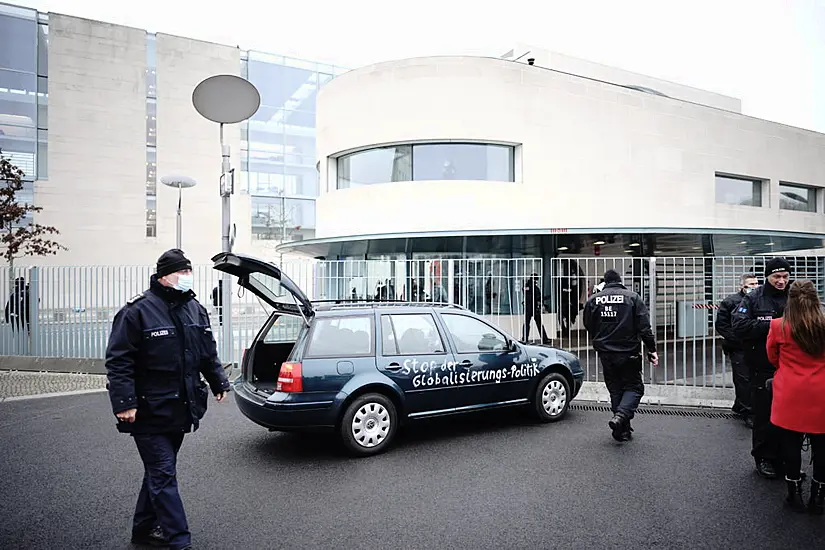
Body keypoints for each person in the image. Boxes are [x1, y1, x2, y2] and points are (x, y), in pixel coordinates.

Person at [105, 249, 231, 550]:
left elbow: (206, 352)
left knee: (159, 471)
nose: (187, 277)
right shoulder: (136, 311)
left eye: (189, 272)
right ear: (164, 275)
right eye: (181, 272)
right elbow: (119, 361)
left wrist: (218, 381)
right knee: (163, 472)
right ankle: (179, 540)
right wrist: (125, 403)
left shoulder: (194, 309)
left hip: (181, 407)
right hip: (148, 410)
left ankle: (143, 530)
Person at [766, 280, 825, 514]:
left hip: (789, 392)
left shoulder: (778, 326)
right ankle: (818, 496)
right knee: (822, 446)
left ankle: (794, 493)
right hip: (821, 391)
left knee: (790, 444)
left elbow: (772, 357)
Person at [583, 269, 658, 442]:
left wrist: (600, 337)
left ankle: (621, 430)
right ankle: (621, 417)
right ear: (620, 281)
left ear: (605, 282)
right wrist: (651, 349)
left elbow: (588, 323)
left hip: (605, 353)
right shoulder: (632, 298)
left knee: (615, 389)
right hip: (628, 352)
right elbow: (644, 327)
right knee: (634, 388)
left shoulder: (594, 300)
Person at [732, 257, 790, 480]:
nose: (781, 281)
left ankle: (785, 458)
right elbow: (739, 326)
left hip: (789, 366)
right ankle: (763, 458)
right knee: (764, 415)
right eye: (777, 276)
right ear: (767, 276)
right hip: (762, 366)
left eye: (785, 276)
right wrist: (773, 326)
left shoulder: (793, 296)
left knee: (787, 416)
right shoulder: (753, 298)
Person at [715, 273, 759, 425]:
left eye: (756, 283)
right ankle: (749, 412)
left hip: (755, 346)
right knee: (743, 379)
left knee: (752, 378)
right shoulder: (730, 301)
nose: (754, 287)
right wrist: (737, 338)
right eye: (750, 284)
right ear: (741, 286)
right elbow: (721, 325)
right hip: (738, 347)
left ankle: (740, 406)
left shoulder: (759, 300)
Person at [523, 274, 549, 344]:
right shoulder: (535, 288)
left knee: (527, 324)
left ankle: (524, 338)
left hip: (528, 308)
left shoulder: (526, 286)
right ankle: (544, 339)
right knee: (539, 324)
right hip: (534, 308)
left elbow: (525, 294)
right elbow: (538, 297)